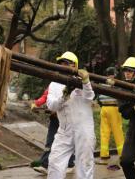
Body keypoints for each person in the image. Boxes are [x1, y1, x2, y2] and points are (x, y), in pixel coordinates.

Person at [47, 51, 95, 179]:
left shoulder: (82, 82)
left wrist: (86, 82)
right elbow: (51, 105)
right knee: (55, 162)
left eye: (67, 64)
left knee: (84, 163)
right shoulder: (54, 84)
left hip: (83, 129)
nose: (64, 66)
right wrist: (64, 96)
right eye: (61, 63)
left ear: (75, 66)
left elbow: (90, 96)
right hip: (64, 130)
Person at [30, 87, 75, 174]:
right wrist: (36, 103)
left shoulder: (71, 84)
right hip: (55, 119)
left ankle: (70, 164)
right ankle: (45, 165)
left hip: (68, 119)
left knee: (69, 141)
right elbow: (45, 96)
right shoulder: (53, 85)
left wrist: (58, 108)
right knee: (50, 142)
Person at [96, 67, 124, 166]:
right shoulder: (115, 84)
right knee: (117, 131)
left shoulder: (101, 84)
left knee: (104, 132)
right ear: (113, 74)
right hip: (114, 109)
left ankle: (104, 155)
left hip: (104, 109)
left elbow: (98, 98)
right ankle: (122, 155)